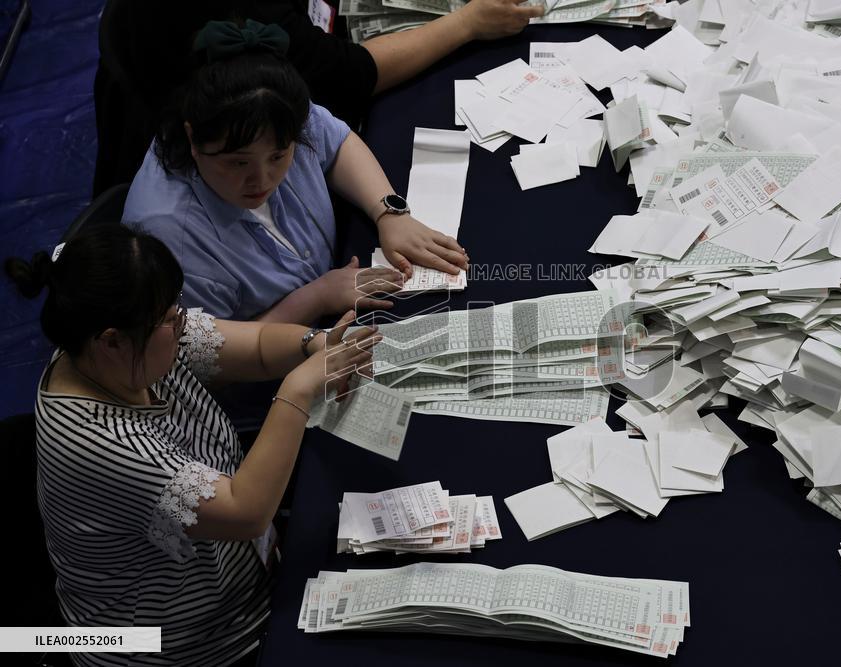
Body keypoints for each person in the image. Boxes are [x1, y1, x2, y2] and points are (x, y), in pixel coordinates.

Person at [5, 225, 379, 666]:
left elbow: (257, 346)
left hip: (245, 580)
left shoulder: (121, 348)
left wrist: (317, 345)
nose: (182, 322)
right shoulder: (97, 442)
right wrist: (297, 390)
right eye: (169, 318)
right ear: (111, 339)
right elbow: (246, 512)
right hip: (182, 647)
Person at [122, 20, 468, 323]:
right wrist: (315, 298)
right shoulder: (171, 240)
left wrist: (389, 213)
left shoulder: (274, 109)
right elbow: (213, 361)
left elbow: (336, 141)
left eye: (279, 155)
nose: (262, 180)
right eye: (238, 163)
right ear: (192, 139)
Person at [93, 0, 544, 195]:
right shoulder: (246, 173)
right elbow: (350, 75)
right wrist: (467, 24)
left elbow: (334, 136)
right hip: (202, 127)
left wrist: (387, 211)